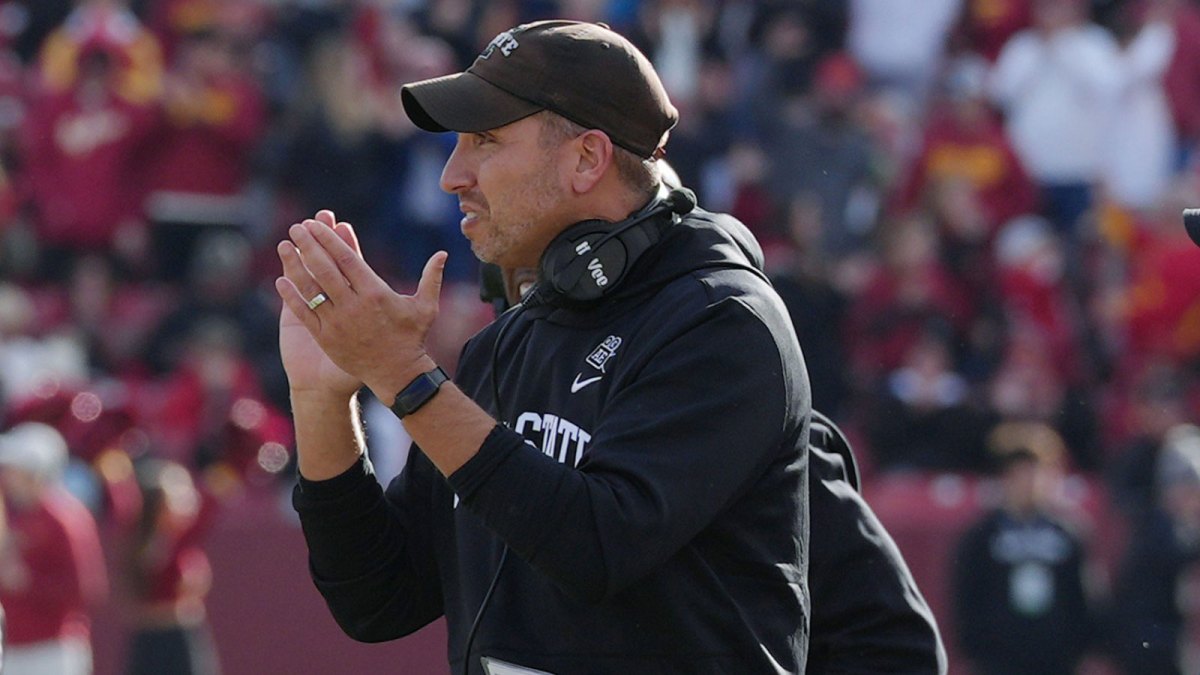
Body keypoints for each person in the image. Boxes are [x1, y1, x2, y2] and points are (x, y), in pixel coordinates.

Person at [277, 20, 813, 674]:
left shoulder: (722, 324)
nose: (451, 176)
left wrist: (406, 379)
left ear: (587, 159)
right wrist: (322, 399)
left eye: (484, 140)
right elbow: (378, 599)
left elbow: (597, 547)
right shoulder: (508, 343)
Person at [950, 423, 1093, 675]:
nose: (1030, 484)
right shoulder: (982, 537)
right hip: (999, 663)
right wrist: (978, 651)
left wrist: (1084, 649)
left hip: (1057, 661)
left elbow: (1084, 596)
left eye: (1037, 473)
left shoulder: (1068, 534)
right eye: (1021, 474)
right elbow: (967, 598)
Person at [0, 422, 108, 675]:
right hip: (14, 645)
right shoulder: (15, 513)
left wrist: (30, 582)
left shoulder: (66, 519)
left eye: (14, 469)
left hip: (53, 648)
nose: (6, 476)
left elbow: (87, 589)